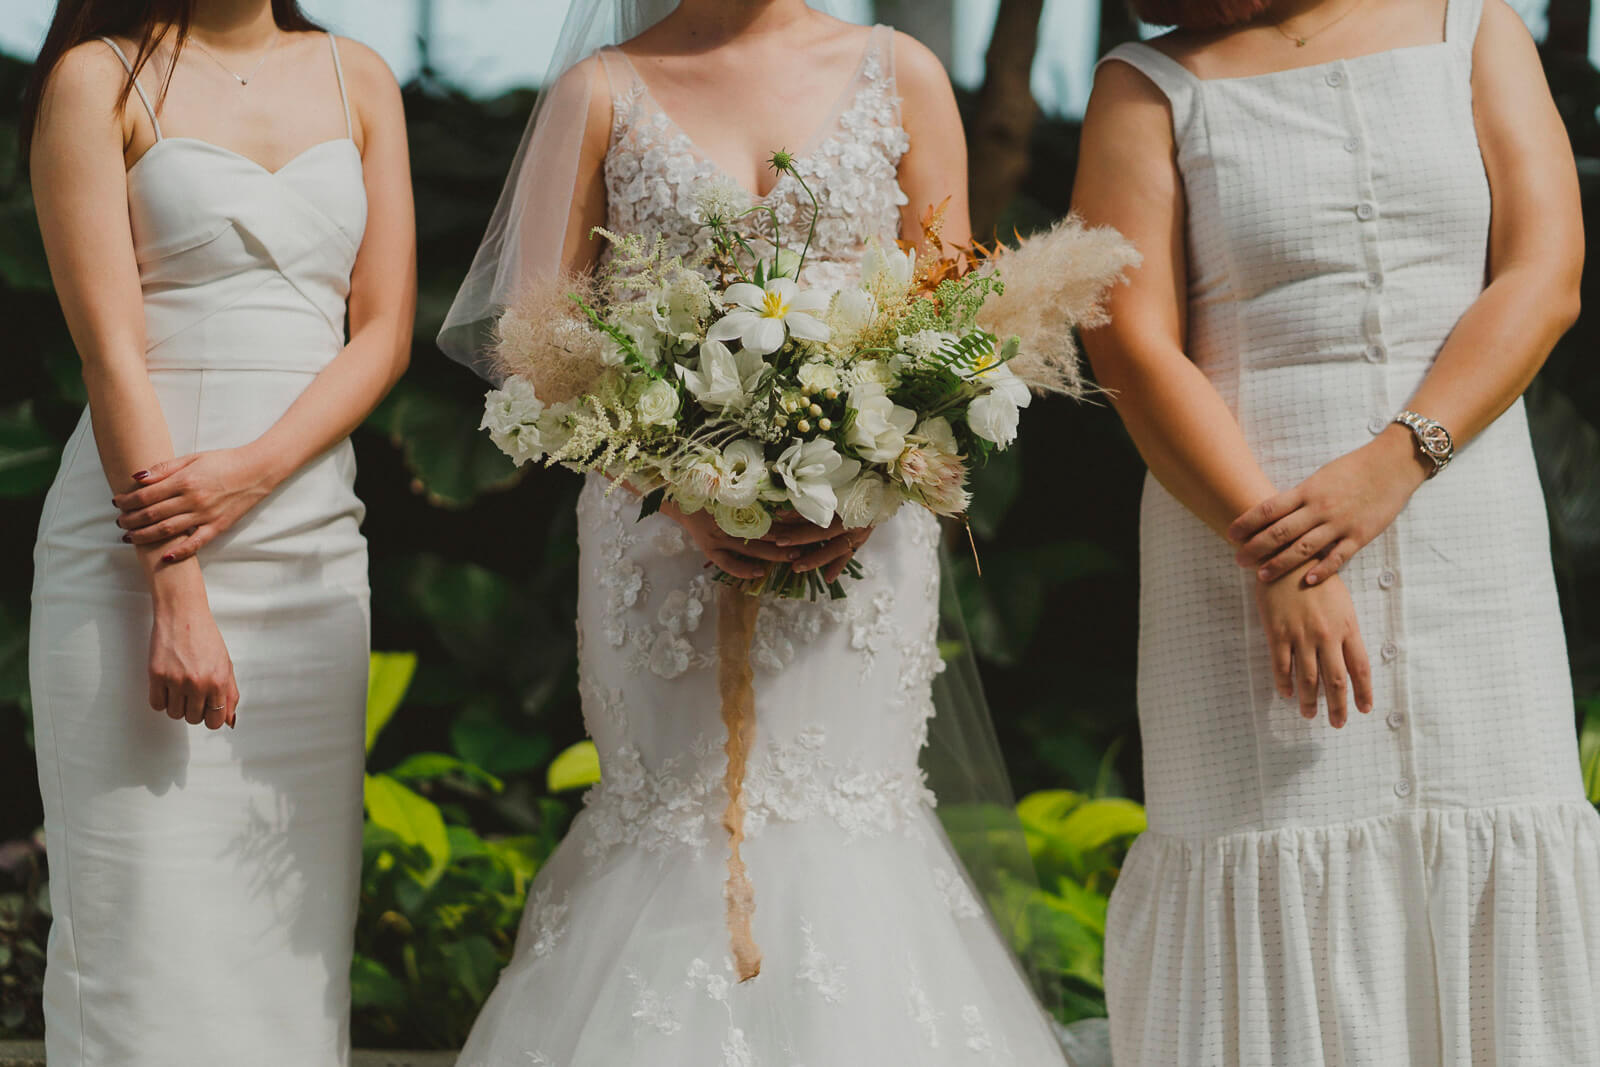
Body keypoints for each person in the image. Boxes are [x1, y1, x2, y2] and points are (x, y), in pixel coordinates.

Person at [439, 1, 1075, 1063]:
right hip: (657, 540)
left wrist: (871, 481)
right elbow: (531, 340)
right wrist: (675, 484)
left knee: (843, 812)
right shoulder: (597, 93)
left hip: (865, 543)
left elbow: (963, 326)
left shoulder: (901, 72)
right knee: (674, 818)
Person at [1074, 0, 1599, 1062]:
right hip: (1235, 543)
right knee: (1267, 850)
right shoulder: (1143, 85)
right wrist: (1274, 549)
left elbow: (1542, 275)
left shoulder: (1474, 28)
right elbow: (1127, 339)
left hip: (1467, 531)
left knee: (1491, 817)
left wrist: (1395, 460)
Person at [22, 0, 413, 1062]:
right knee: (139, 924)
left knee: (290, 931)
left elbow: (380, 330)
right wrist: (178, 595)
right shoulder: (94, 78)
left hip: (312, 544)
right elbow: (114, 353)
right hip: (135, 550)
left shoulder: (360, 76)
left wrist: (255, 471)